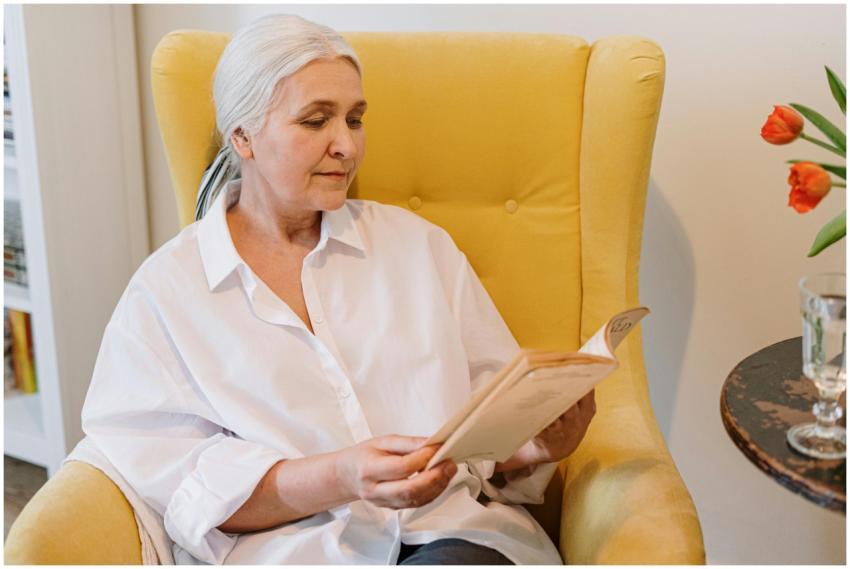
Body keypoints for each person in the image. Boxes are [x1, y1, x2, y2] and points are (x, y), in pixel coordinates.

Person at [80, 13, 596, 565]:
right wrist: (342, 476)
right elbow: (184, 490)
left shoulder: (419, 248)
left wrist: (538, 445)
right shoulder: (168, 293)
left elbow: (486, 427)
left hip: (452, 539)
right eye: (315, 121)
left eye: (355, 119)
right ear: (243, 137)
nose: (346, 145)